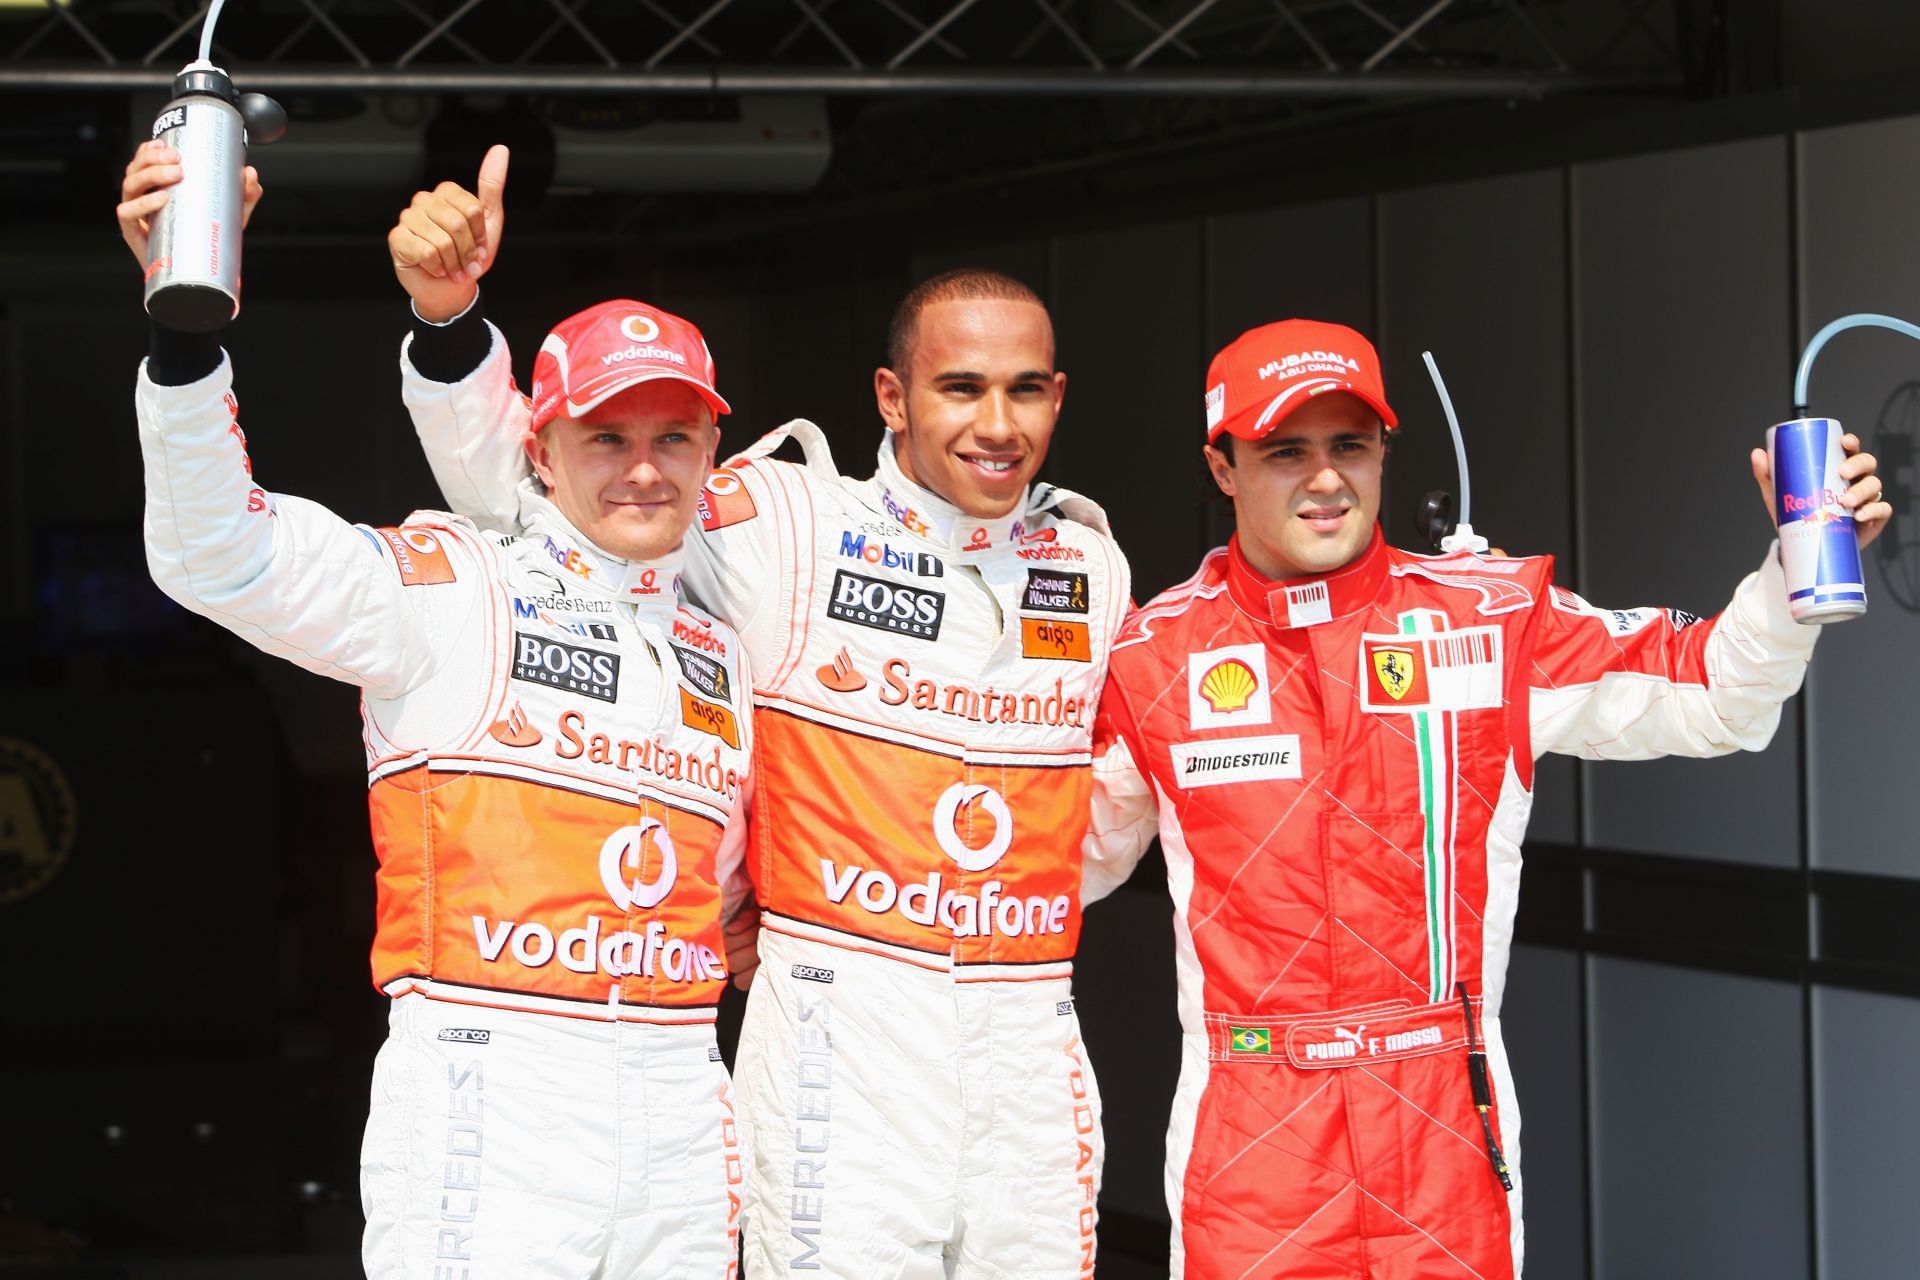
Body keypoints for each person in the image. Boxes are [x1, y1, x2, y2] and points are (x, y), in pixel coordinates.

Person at [388, 148, 1150, 1278]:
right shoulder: (787, 516)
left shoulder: (1089, 566)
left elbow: (1116, 799)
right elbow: (546, 501)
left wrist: (1001, 899)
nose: (999, 423)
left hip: (1027, 1024)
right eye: (960, 388)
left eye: (1026, 389)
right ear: (891, 396)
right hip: (844, 1018)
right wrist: (453, 333)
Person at [1080, 318, 1893, 1279]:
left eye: (1350, 445)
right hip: (1255, 1140)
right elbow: (1053, 868)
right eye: (1284, 452)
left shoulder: (1492, 617)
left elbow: (1711, 689)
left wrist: (1796, 563)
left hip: (1441, 1127)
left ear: (1385, 450)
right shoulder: (1149, 656)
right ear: (1222, 467)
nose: (1326, 478)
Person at [120, 142, 755, 1278]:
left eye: (674, 437)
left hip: (679, 1098)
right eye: (607, 436)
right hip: (493, 1091)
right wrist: (184, 327)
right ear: (542, 451)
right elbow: (217, 550)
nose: (645, 470)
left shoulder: (719, 641)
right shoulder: (453, 583)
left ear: (713, 449)